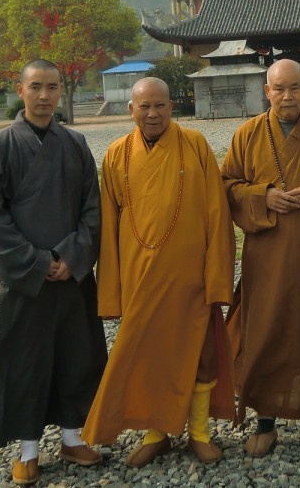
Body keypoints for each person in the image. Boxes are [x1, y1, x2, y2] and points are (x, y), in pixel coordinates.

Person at [81, 77, 236, 467]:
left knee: (200, 354)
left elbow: (217, 215)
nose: (153, 114)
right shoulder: (116, 154)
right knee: (147, 356)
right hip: (139, 276)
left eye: (160, 106)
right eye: (144, 106)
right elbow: (109, 229)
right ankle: (156, 433)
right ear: (131, 110)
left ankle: (199, 432)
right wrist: (111, 292)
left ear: (172, 107)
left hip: (191, 277)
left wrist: (217, 275)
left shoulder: (196, 146)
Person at [0, 59, 107, 485]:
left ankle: (72, 439)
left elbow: (93, 208)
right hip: (25, 282)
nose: (45, 95)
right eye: (36, 86)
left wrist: (72, 257)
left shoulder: (76, 144)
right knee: (26, 364)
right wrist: (35, 262)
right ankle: (28, 450)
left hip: (71, 275)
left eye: (52, 87)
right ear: (21, 89)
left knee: (76, 357)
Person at [221, 59, 300, 457]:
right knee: (266, 330)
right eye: (278, 89)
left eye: (294, 87)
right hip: (267, 255)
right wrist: (262, 196)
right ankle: (265, 420)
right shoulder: (247, 135)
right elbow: (227, 185)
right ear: (267, 92)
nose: (287, 96)